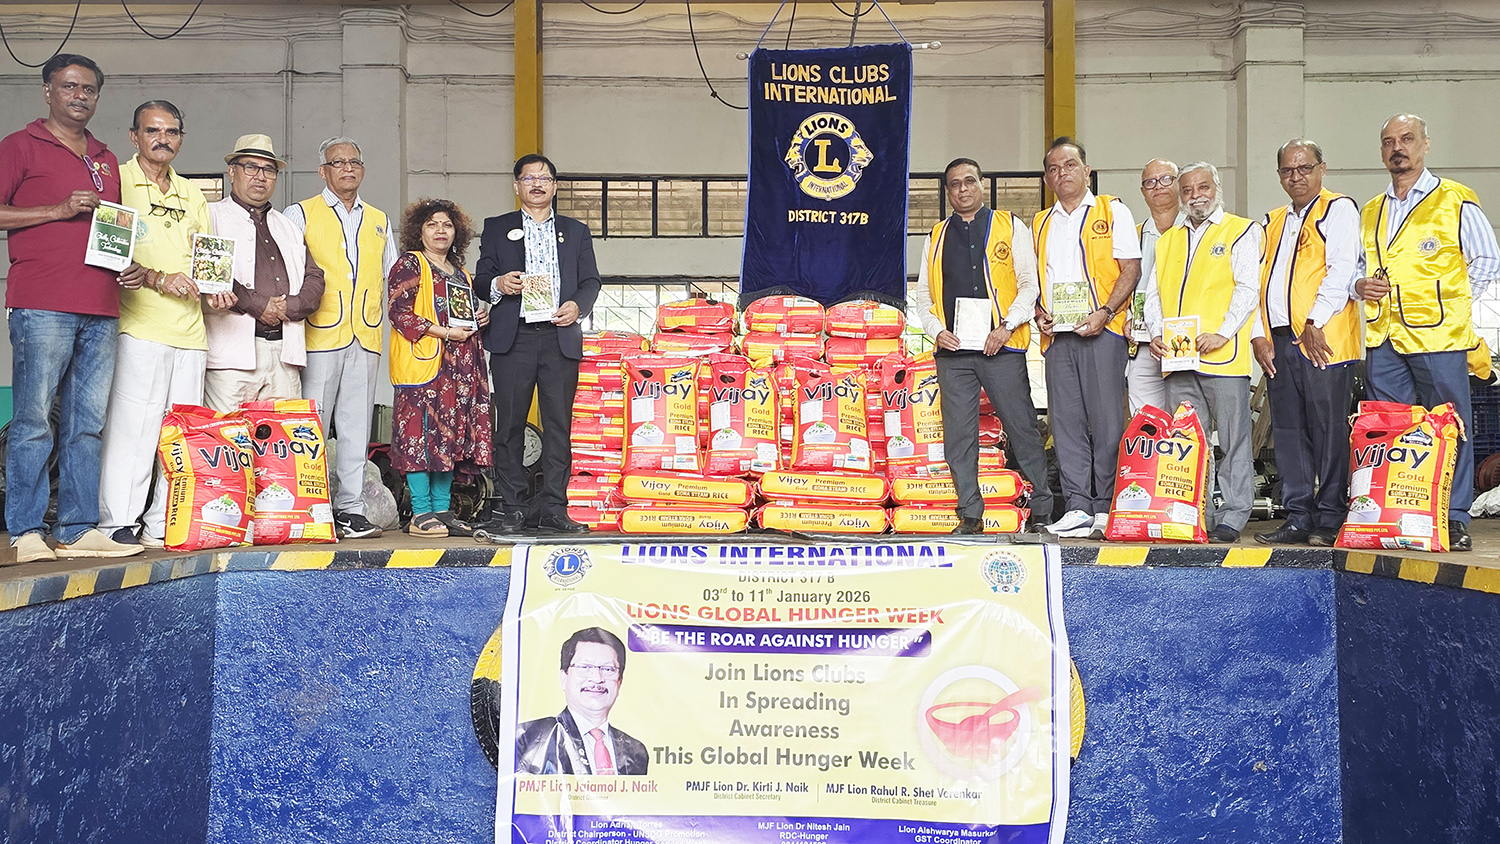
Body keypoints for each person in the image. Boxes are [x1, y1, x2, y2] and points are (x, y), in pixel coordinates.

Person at [0, 54, 142, 562]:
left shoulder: (105, 157)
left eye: (89, 89)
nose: (80, 96)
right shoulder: (19, 146)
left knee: (86, 423)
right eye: (69, 86)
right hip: (42, 303)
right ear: (48, 91)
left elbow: (110, 228)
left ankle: (77, 529)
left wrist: (128, 263)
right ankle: (26, 531)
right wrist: (56, 210)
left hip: (102, 304)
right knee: (34, 420)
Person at [1354, 114, 1500, 552]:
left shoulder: (1455, 199)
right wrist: (1359, 285)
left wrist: (1454, 306)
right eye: (1388, 142)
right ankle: (1401, 513)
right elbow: (1360, 267)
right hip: (1384, 337)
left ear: (1425, 144)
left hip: (1440, 337)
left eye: (1406, 139)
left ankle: (1454, 517)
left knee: (1450, 426)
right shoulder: (1371, 210)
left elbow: (1487, 260)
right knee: (1392, 429)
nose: (1397, 148)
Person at [98, 101, 230, 549]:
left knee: (180, 436)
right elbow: (106, 251)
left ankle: (162, 522)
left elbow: (208, 261)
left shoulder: (192, 194)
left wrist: (216, 290)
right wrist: (157, 278)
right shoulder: (116, 180)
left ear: (181, 139)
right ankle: (118, 522)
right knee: (133, 429)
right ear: (134, 136)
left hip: (191, 334)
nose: (162, 139)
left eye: (171, 132)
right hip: (139, 327)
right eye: (153, 130)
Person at [910, 157, 1055, 535]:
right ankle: (970, 514)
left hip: (1001, 347)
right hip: (954, 353)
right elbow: (924, 295)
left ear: (981, 185)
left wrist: (1006, 327)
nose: (963, 189)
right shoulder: (936, 236)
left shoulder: (1010, 225)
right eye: (955, 184)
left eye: (969, 181)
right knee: (959, 435)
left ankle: (1042, 508)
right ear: (948, 192)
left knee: (1022, 427)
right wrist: (936, 331)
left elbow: (1029, 285)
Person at [475, 154, 600, 535]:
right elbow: (481, 278)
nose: (537, 184)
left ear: (555, 186)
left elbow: (591, 281)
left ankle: (553, 507)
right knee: (510, 425)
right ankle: (513, 507)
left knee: (559, 425)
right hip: (515, 338)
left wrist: (578, 306)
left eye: (544, 178)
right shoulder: (498, 227)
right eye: (529, 178)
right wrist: (499, 284)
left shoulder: (575, 231)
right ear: (517, 186)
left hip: (559, 337)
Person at [284, 137, 398, 540]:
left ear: (362, 169)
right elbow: (289, 273)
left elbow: (395, 277)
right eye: (338, 162)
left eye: (354, 162)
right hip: (319, 333)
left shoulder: (379, 219)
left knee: (356, 427)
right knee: (311, 426)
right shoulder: (300, 213)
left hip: (364, 334)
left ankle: (350, 509)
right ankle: (311, 508)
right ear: (323, 171)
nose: (347, 168)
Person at [1143, 162, 1264, 543]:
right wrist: (1155, 333)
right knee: (1188, 442)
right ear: (1180, 196)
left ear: (1217, 188)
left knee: (1232, 439)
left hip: (1222, 356)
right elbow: (1153, 295)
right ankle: (1196, 513)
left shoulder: (1241, 230)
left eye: (1203, 187)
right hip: (1178, 358)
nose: (1196, 196)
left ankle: (1234, 515)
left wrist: (1223, 332)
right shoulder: (1167, 241)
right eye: (1188, 190)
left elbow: (1248, 289)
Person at [1251, 139, 1363, 547]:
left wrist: (1315, 320)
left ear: (1322, 169)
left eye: (1304, 168)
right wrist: (1258, 335)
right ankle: (1298, 517)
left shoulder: (1338, 209)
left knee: (1328, 430)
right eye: (1287, 170)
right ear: (1279, 175)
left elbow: (1341, 270)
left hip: (1324, 339)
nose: (1296, 176)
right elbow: (1256, 284)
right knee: (1288, 431)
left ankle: (1330, 517)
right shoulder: (1272, 221)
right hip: (1279, 342)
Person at [1033, 138, 1141, 538]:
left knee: (1107, 421)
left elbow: (1130, 269)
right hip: (1058, 338)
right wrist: (1040, 314)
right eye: (1054, 169)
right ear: (1047, 178)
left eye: (1070, 165)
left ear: (1087, 171)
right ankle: (1078, 506)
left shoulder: (1112, 211)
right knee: (1065, 424)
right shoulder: (1041, 222)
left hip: (1102, 331)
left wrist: (1105, 312)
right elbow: (1037, 281)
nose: (1062, 173)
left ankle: (1105, 507)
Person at [388, 198, 492, 538]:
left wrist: (480, 317)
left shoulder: (461, 274)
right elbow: (399, 313)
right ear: (419, 231)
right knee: (419, 437)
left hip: (459, 368)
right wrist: (445, 332)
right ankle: (420, 513)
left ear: (456, 232)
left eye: (447, 224)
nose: (440, 230)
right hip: (424, 366)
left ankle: (443, 510)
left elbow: (463, 315)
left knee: (449, 437)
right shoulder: (410, 264)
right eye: (432, 224)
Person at [204, 134, 326, 413]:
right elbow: (209, 270)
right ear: (232, 172)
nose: (260, 176)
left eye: (269, 170)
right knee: (229, 435)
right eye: (251, 167)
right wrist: (259, 305)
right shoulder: (211, 216)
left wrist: (291, 306)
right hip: (231, 358)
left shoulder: (288, 226)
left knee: (283, 437)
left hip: (284, 355)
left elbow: (314, 277)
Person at [515, 627, 649, 775]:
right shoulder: (528, 737)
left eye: (608, 669)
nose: (597, 678)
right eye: (585, 667)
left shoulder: (636, 752)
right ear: (564, 678)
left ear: (619, 682)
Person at [1129, 159, 1182, 416]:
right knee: (1145, 420)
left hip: (1186, 339)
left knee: (1188, 420)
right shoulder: (1134, 235)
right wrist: (1126, 317)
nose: (1158, 186)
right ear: (1143, 191)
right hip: (1143, 342)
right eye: (1150, 182)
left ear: (1179, 183)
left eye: (1166, 179)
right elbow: (1122, 283)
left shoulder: (1198, 231)